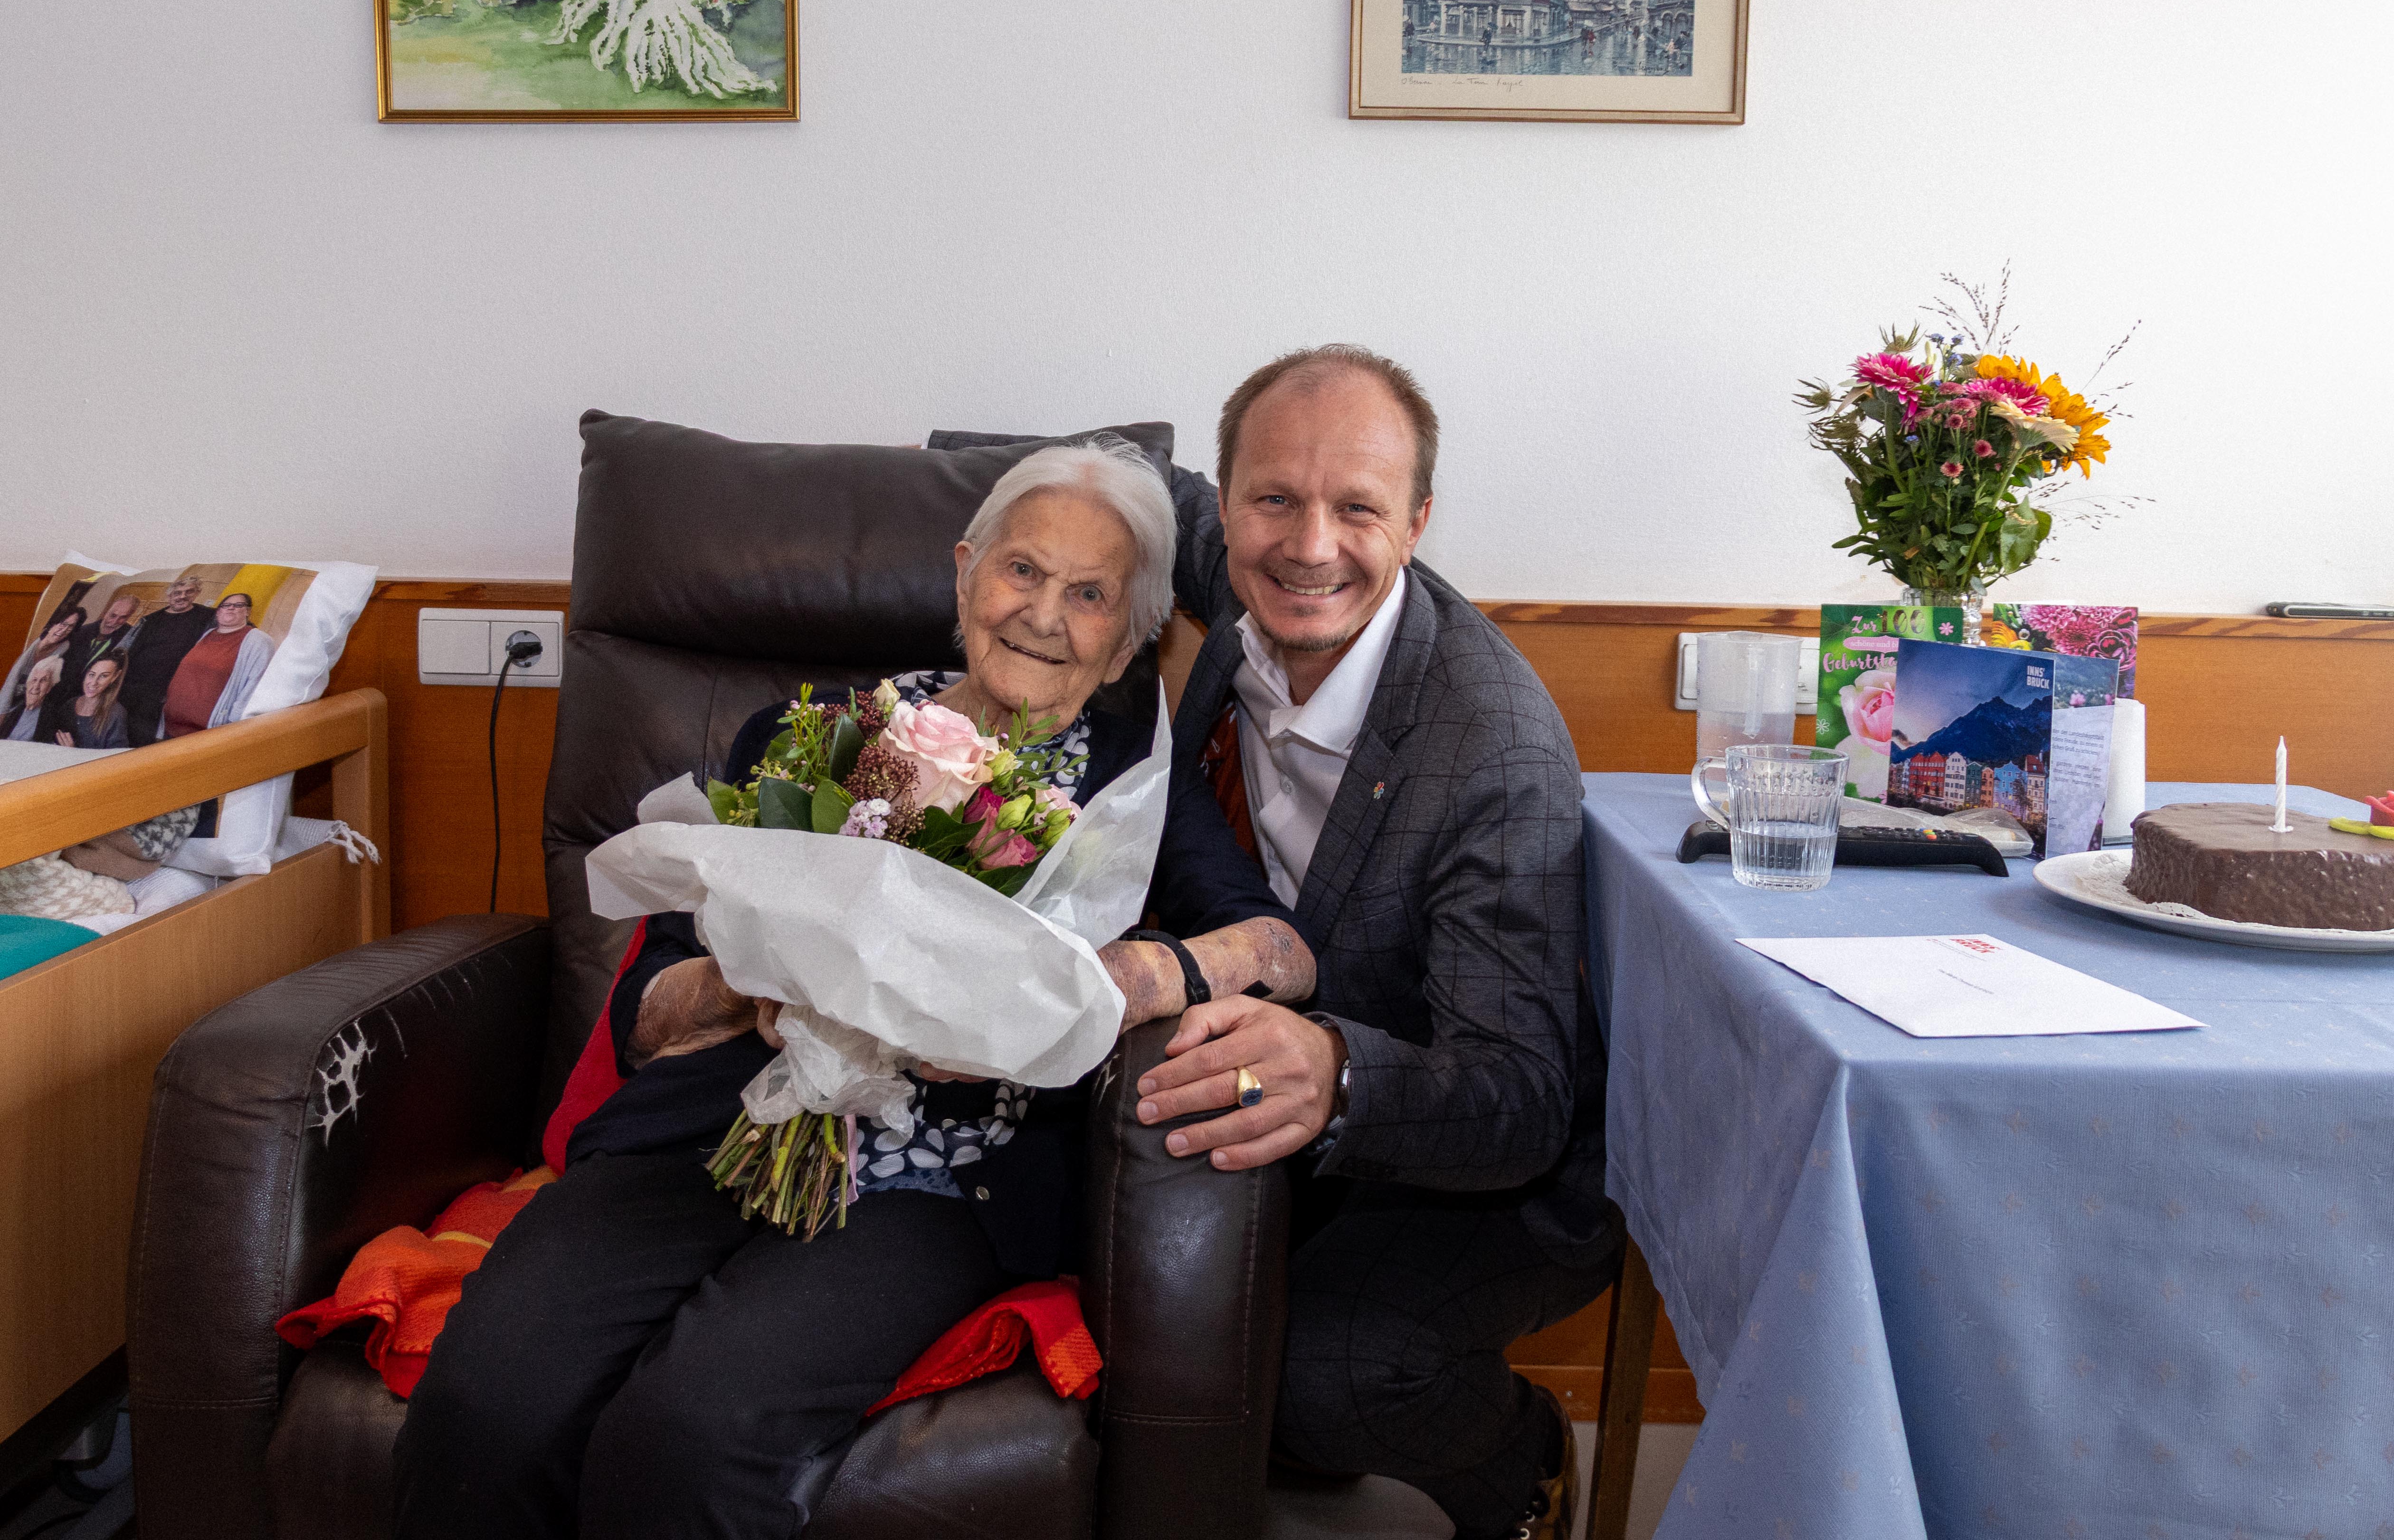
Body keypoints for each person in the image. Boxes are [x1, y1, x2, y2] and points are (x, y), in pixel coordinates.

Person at [393, 439, 1312, 1540]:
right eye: (1022, 570)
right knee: (483, 1407)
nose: (1042, 615)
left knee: (689, 1433)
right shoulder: (815, 738)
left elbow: (1286, 949)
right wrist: (751, 985)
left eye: (1090, 594)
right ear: (966, 574)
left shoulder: (1136, 794)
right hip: (706, 1134)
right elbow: (644, 1017)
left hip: (936, 1184)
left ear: (1128, 641)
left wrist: (1144, 971)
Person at [1128, 345, 1619, 1540]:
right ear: (1228, 507)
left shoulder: (1495, 754)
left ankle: (1521, 1463)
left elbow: (1520, 1095)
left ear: (1417, 523)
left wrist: (1337, 1075)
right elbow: (1121, 473)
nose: (1311, 546)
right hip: (1295, 1088)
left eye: (1358, 508)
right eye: (1274, 499)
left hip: (1497, 1156)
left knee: (1317, 1374)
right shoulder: (1237, 569)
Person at [159, 590, 274, 741]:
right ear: (218, 612)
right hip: (171, 727)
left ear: (247, 612)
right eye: (226, 605)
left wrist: (234, 724)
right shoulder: (208, 634)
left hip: (207, 734)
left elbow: (256, 684)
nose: (231, 608)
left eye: (238, 605)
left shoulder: (259, 641)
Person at [120, 573, 215, 747]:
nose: (183, 596)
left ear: (197, 594)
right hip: (132, 685)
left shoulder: (207, 616)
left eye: (189, 592)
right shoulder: (149, 620)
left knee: (145, 737)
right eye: (178, 593)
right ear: (169, 595)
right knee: (121, 728)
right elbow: (124, 649)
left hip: (168, 690)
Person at [2, 607, 84, 720]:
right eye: (63, 623)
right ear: (54, 623)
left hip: (23, 701)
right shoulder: (34, 640)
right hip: (5, 693)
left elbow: (46, 678)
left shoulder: (64, 646)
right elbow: (13, 677)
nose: (64, 630)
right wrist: (3, 711)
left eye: (70, 627)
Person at [51, 652, 132, 751]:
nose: (94, 683)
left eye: (103, 676)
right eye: (92, 675)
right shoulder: (69, 705)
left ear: (115, 677)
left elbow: (118, 758)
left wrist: (73, 752)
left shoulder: (117, 714)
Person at [63, 592, 142, 692]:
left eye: (123, 618)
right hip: (64, 687)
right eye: (113, 615)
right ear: (106, 611)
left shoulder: (129, 638)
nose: (114, 622)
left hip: (92, 691)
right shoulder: (83, 631)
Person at [3, 656, 65, 742]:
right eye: (34, 680)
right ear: (28, 684)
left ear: (50, 687)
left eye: (43, 681)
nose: (36, 686)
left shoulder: (51, 717)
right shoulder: (13, 709)